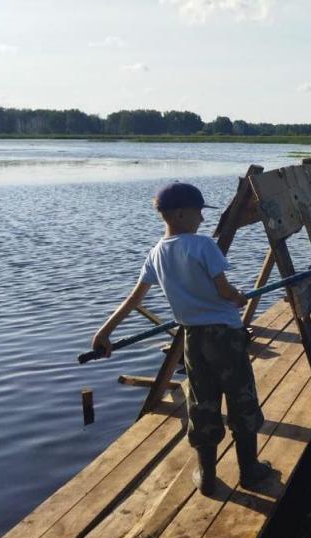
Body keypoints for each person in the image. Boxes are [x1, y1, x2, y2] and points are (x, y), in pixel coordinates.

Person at [91, 182, 274, 495]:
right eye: (198, 212)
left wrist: (103, 333)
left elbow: (134, 300)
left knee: (202, 403)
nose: (202, 219)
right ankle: (250, 471)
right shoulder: (202, 245)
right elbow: (223, 290)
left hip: (191, 339)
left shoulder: (155, 254)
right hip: (225, 337)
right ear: (179, 214)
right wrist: (238, 298)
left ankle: (206, 475)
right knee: (241, 398)